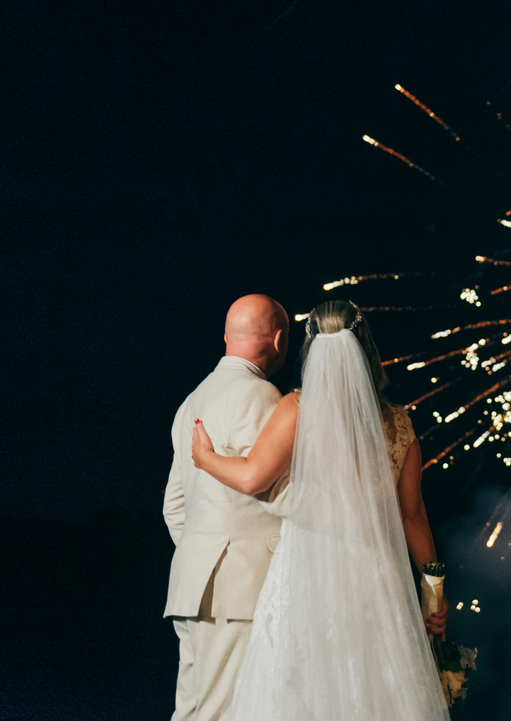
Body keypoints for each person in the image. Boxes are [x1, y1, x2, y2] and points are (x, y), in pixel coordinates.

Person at [190, 300, 450, 720]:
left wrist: (206, 459)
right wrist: (434, 593)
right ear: (367, 349)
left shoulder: (297, 408)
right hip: (377, 579)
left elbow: (252, 477)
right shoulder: (399, 423)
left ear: (310, 347)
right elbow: (412, 515)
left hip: (307, 574)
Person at [162, 294, 290, 721]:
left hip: (192, 584)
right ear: (277, 340)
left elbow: (174, 506)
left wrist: (203, 551)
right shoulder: (261, 395)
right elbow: (273, 490)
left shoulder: (190, 401)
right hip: (237, 589)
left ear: (226, 337)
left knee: (192, 712)